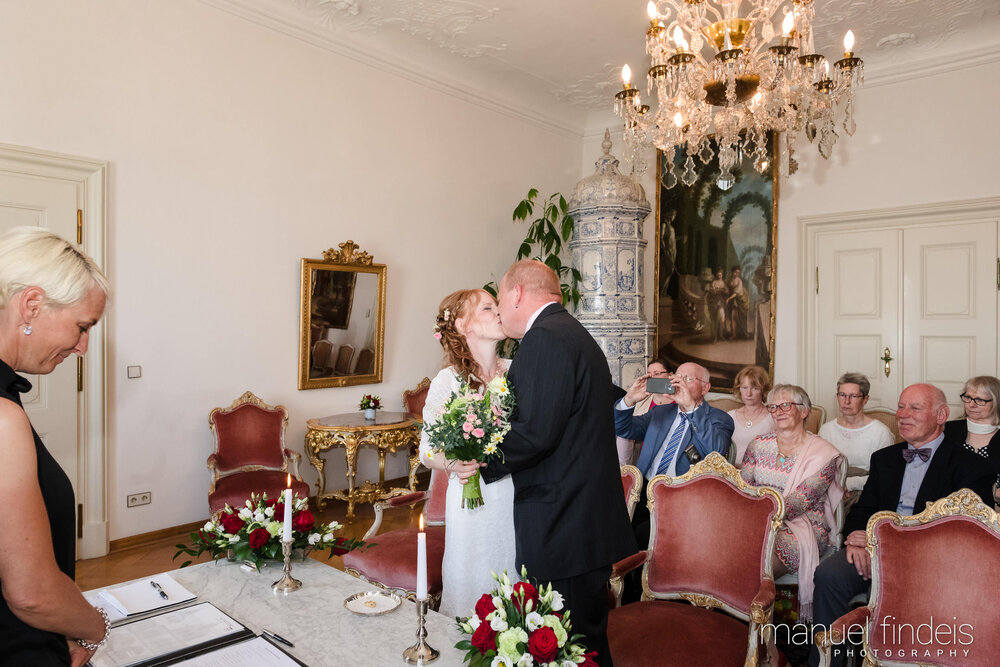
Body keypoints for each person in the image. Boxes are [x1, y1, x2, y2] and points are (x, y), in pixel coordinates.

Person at [473, 260, 636, 667]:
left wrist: (478, 459)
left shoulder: (544, 339)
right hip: (582, 520)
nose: (500, 310)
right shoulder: (574, 334)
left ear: (516, 294)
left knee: (570, 644)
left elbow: (534, 433)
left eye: (499, 299)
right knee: (584, 639)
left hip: (562, 523)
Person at [810, 383, 995, 667]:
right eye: (901, 406)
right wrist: (857, 537)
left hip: (932, 563)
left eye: (915, 408)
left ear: (941, 415)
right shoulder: (885, 459)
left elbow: (966, 535)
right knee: (829, 574)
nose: (903, 415)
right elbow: (863, 510)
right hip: (874, 552)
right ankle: (829, 662)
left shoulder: (971, 467)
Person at [0, 227, 111, 666]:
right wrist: (94, 627)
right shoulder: (3, 417)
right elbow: (31, 593)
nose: (83, 346)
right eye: (82, 326)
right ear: (31, 304)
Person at [417, 289, 516, 619]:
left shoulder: (516, 372)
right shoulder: (449, 381)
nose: (498, 311)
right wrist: (454, 462)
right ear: (463, 325)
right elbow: (427, 449)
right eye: (488, 307)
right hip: (472, 501)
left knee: (515, 581)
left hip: (518, 496)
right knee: (474, 583)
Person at [614, 361, 734, 603]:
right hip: (644, 490)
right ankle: (616, 595)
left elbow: (716, 453)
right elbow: (623, 428)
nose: (678, 382)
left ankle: (640, 599)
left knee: (640, 536)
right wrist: (629, 400)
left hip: (682, 498)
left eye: (688, 379)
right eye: (676, 376)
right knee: (612, 528)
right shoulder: (661, 412)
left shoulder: (719, 419)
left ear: (705, 387)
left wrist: (690, 408)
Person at [739, 384, 843, 620]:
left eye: (786, 405)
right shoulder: (758, 444)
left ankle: (753, 634)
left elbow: (797, 503)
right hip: (756, 519)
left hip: (802, 526)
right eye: (773, 406)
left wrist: (756, 518)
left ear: (804, 411)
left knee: (753, 566)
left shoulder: (823, 453)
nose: (779, 411)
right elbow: (744, 489)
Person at [818, 372, 894, 498]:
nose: (846, 401)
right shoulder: (826, 430)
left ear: (865, 399)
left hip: (867, 491)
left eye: (853, 396)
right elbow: (818, 469)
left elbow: (885, 475)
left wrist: (849, 484)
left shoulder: (881, 432)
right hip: (830, 490)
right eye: (842, 395)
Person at [943, 375, 1000, 507]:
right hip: (947, 509)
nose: (971, 404)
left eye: (980, 400)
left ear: (996, 402)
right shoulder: (947, 430)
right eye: (968, 398)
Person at [614, 357, 674, 466]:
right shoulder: (641, 400)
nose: (652, 377)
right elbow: (624, 428)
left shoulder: (679, 404)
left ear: (670, 375)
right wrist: (629, 399)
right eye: (649, 374)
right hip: (640, 461)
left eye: (657, 373)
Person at [727, 365, 775, 466]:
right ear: (739, 389)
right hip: (731, 473)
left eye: (755, 388)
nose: (748, 393)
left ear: (763, 390)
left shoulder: (773, 417)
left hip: (760, 474)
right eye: (744, 387)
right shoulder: (730, 416)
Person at [725, 265, 749, 339]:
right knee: (733, 317)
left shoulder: (739, 281)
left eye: (738, 273)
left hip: (739, 300)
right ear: (732, 272)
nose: (737, 274)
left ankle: (744, 333)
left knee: (742, 317)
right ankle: (734, 334)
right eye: (735, 272)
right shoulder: (729, 280)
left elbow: (736, 293)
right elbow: (727, 289)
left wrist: (728, 299)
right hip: (733, 301)